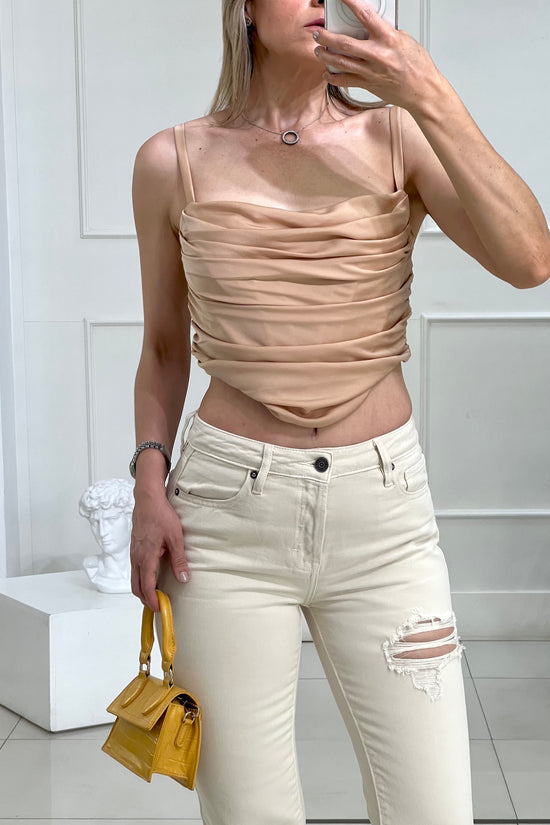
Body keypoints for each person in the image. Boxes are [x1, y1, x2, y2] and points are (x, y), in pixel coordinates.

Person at [128, 1, 550, 823]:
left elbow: (530, 258)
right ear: (245, 10)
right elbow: (164, 348)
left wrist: (428, 91)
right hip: (224, 523)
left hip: (383, 520)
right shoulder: (170, 161)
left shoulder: (400, 137)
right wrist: (149, 481)